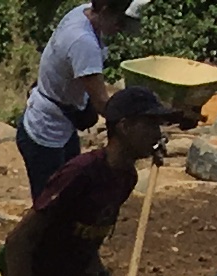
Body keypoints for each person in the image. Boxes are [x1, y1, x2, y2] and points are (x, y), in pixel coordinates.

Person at [0, 90, 176, 276]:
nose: (157, 134)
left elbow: (89, 231)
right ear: (125, 127)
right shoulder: (80, 173)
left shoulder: (125, 179)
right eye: (150, 124)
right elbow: (18, 242)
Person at [21, 0, 138, 193]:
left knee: (72, 190)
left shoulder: (82, 13)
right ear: (106, 10)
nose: (121, 27)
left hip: (61, 121)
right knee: (51, 203)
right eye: (120, 20)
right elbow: (102, 104)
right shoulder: (83, 43)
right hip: (46, 132)